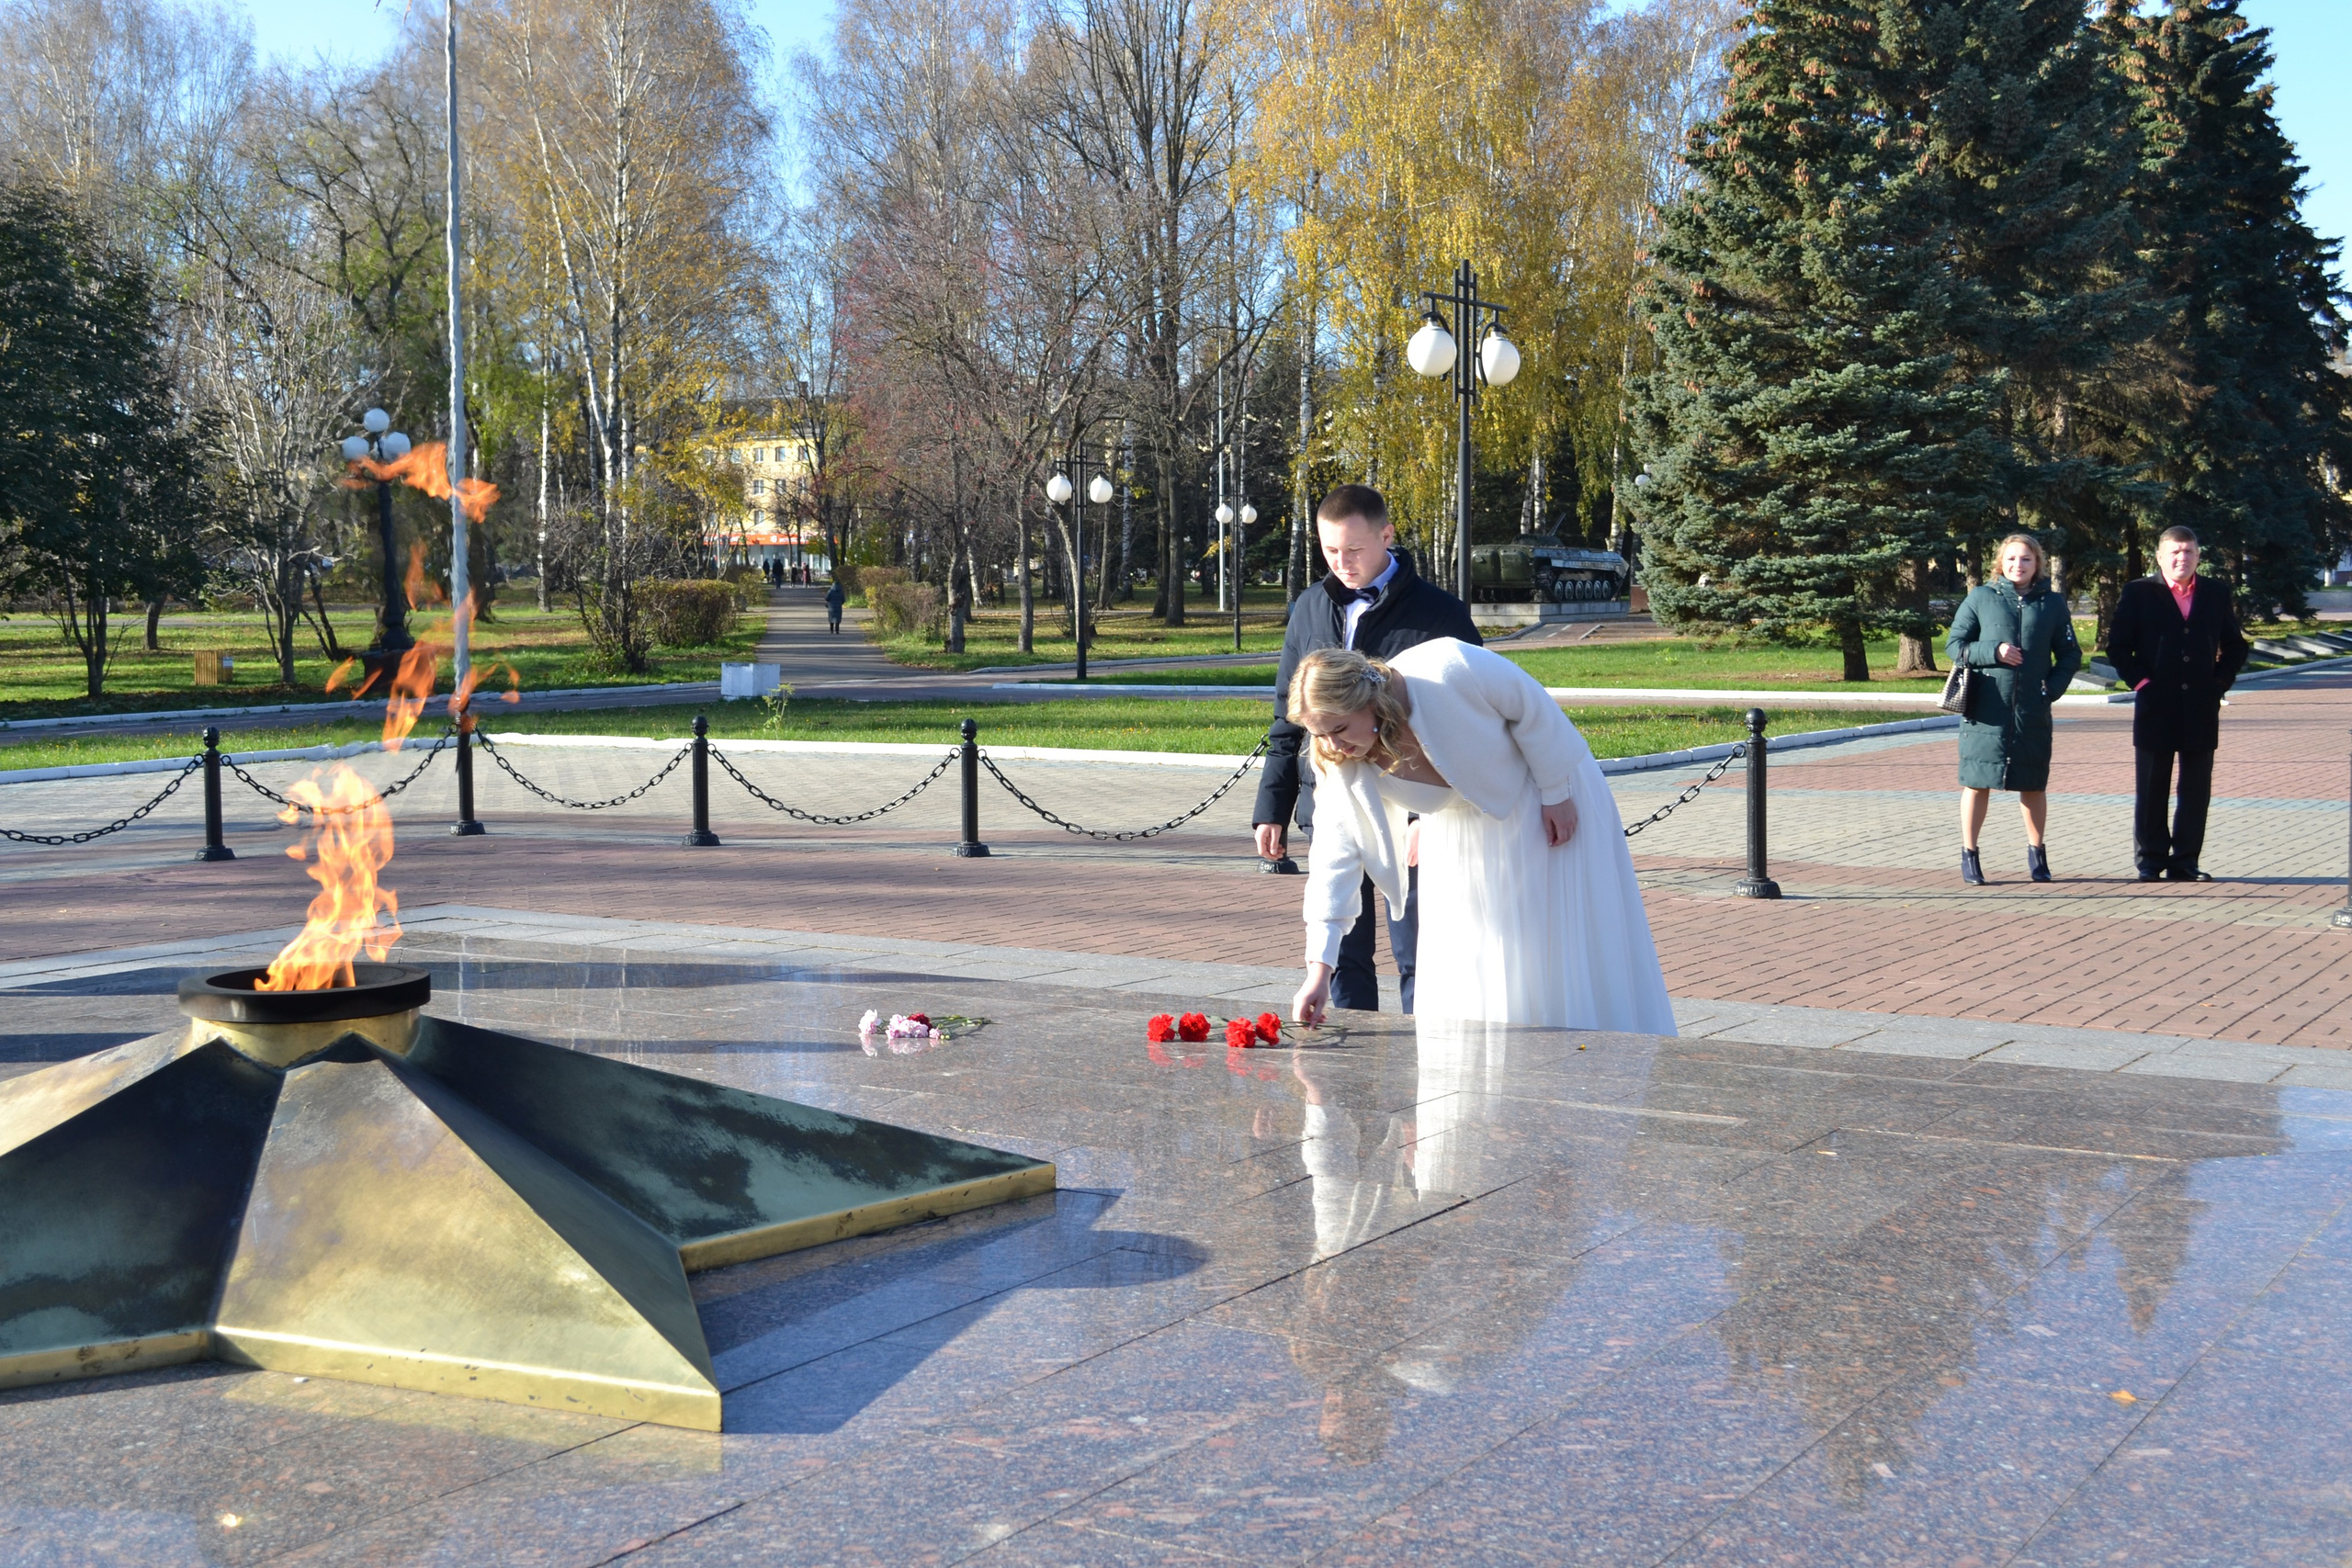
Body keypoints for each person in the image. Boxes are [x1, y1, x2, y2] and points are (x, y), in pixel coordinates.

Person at [1284, 640, 1676, 1032]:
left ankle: (1582, 1046)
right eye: (1319, 734)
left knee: (1551, 946)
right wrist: (1319, 969)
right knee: (1485, 959)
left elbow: (1532, 707)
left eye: (1339, 728)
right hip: (1460, 839)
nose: (1332, 745)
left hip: (1544, 798)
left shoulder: (1446, 665)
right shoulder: (1335, 759)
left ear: (1369, 702)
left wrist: (1556, 792)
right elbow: (1333, 861)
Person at [1253, 485, 1481, 1013]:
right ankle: (1352, 1050)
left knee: (1417, 950)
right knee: (1344, 951)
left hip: (1415, 803)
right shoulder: (1310, 606)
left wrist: (1429, 816)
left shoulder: (1440, 613)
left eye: (1354, 549)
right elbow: (1289, 716)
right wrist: (1273, 808)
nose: (1342, 562)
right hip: (1333, 798)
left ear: (1386, 535)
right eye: (1330, 550)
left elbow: (1468, 723)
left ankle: (1421, 1044)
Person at [2104, 526, 2248, 882]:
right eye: (2175, 552)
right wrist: (2142, 683)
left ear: (2198, 556)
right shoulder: (2138, 592)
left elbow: (2235, 646)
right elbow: (2118, 647)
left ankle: (2185, 861)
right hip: (2156, 705)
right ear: (2160, 557)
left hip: (2201, 705)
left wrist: (2218, 683)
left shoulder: (2215, 592)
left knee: (2195, 790)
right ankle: (2151, 860)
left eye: (2188, 552)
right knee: (2152, 787)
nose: (2182, 558)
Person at [1945, 533, 2082, 886]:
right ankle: (1970, 854)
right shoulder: (1981, 597)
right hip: (1986, 710)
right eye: (2011, 559)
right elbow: (1955, 645)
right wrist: (1994, 651)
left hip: (2031, 711)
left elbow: (2070, 654)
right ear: (2000, 563)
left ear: (2037, 564)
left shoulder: (2052, 604)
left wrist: (2050, 690)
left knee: (2033, 784)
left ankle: (2037, 856)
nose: (2017, 565)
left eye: (2025, 559)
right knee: (1977, 783)